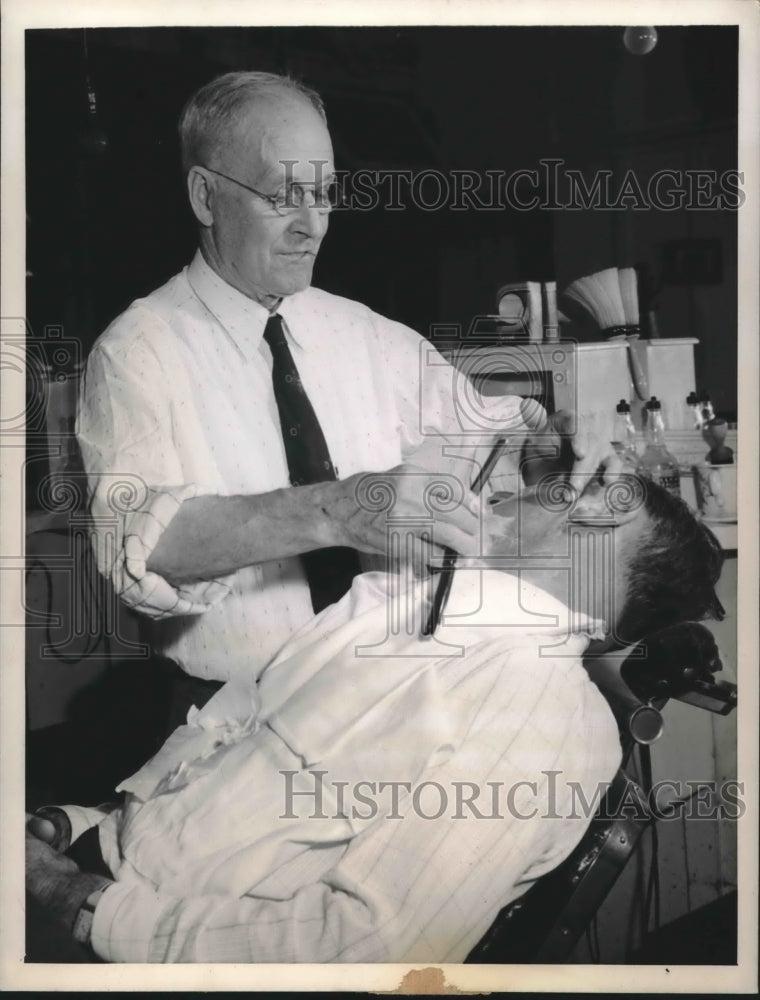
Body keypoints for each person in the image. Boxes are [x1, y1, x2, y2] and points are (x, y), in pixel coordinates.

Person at [26, 470, 724, 963]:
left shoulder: (536, 714)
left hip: (128, 944)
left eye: (593, 487)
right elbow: (221, 760)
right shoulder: (389, 604)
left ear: (602, 525)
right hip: (97, 867)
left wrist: (75, 900)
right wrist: (82, 826)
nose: (560, 482)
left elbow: (364, 947)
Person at [75, 70, 602, 716]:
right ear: (206, 197)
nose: (313, 225)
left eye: (324, 194)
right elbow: (141, 545)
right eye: (284, 196)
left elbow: (488, 440)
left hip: (395, 703)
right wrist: (336, 509)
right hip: (238, 725)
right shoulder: (136, 352)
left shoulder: (365, 334)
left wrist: (547, 452)